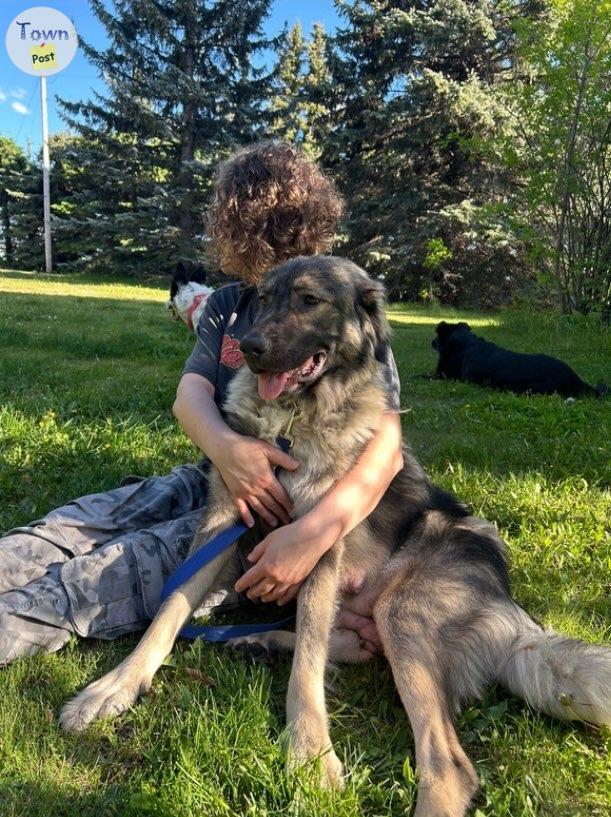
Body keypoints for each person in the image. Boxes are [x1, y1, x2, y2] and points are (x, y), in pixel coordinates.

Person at [0, 142, 402, 666]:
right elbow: (190, 394)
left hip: (276, 509)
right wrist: (229, 451)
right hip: (209, 475)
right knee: (72, 526)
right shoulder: (225, 304)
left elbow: (386, 446)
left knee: (110, 572)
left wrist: (310, 535)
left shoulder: (345, 303)